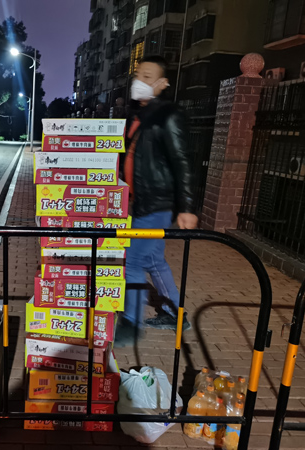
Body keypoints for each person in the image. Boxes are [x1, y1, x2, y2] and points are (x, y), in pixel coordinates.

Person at [117, 56, 198, 345]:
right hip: (141, 200)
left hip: (157, 201)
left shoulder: (168, 114)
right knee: (153, 260)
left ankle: (131, 322)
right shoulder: (139, 115)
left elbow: (182, 160)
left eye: (147, 76)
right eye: (138, 75)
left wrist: (187, 207)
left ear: (163, 83)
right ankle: (176, 314)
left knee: (133, 260)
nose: (139, 81)